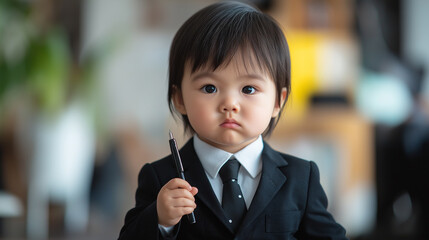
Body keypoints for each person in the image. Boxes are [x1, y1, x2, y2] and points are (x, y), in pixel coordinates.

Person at [118, 1, 347, 239]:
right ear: (179, 98)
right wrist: (159, 220)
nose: (230, 104)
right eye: (209, 88)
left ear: (278, 101)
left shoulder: (301, 178)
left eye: (248, 89)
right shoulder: (160, 177)